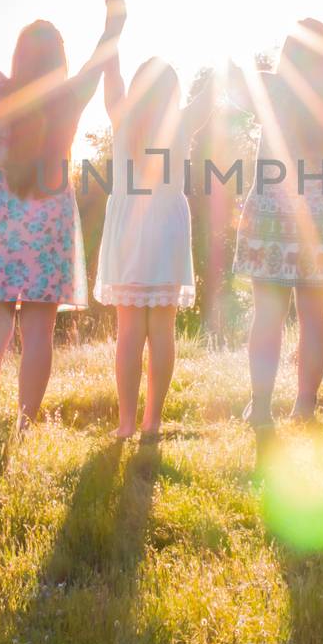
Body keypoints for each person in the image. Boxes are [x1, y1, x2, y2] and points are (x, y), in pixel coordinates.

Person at [0, 0, 124, 429]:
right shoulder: (70, 96)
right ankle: (24, 425)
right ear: (57, 60)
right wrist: (114, 21)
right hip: (50, 212)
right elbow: (102, 57)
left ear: (19, 56)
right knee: (39, 331)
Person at [228, 19, 323, 427]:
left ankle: (261, 406)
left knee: (266, 314)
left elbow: (231, 86)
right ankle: (305, 405)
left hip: (272, 214)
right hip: (322, 218)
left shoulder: (272, 88)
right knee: (314, 318)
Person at [96, 55, 214, 439]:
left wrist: (113, 31)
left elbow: (110, 75)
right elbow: (210, 96)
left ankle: (126, 423)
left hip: (130, 225)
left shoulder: (122, 117)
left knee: (129, 330)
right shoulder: (181, 122)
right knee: (162, 329)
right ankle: (153, 422)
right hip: (166, 225)